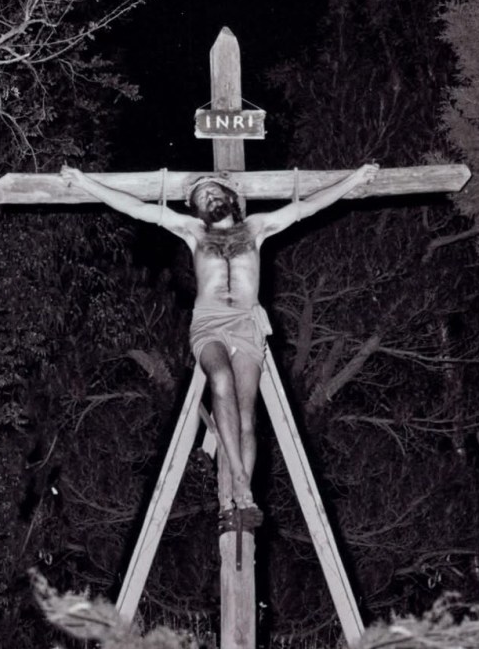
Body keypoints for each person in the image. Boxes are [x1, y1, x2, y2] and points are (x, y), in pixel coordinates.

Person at [59, 163, 378, 516]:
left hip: (246, 324)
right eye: (201, 197)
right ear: (196, 209)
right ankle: (239, 476)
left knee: (247, 416)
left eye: (213, 192)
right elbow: (137, 208)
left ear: (230, 198)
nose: (209, 197)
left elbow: (308, 206)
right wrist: (85, 182)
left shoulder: (256, 227)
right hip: (209, 323)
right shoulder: (194, 232)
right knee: (221, 378)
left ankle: (246, 496)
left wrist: (354, 180)